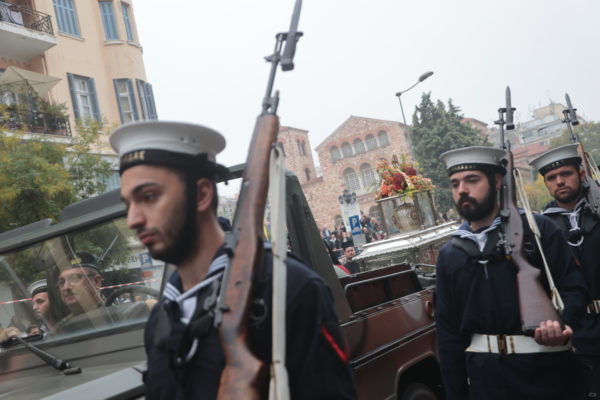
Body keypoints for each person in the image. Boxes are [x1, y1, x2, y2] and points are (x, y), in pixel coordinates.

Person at [110, 120, 356, 399]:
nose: (133, 219)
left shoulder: (288, 289)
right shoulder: (160, 319)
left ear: (202, 194)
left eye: (149, 197)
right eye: (128, 204)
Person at [436, 146, 589, 400]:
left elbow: (574, 287)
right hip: (486, 382)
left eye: (472, 180)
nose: (462, 189)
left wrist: (564, 323)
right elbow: (448, 333)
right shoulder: (450, 254)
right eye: (455, 183)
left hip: (546, 375)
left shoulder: (537, 230)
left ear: (497, 181)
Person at [530, 144, 600, 399]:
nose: (559, 181)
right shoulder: (540, 230)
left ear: (581, 175)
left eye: (566, 174)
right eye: (551, 177)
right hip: (579, 333)